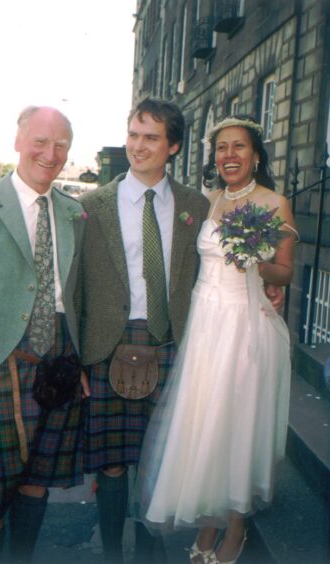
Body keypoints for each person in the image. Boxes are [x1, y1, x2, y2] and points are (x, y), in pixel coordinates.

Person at [135, 115, 298, 564]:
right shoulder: (206, 201)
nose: (229, 155)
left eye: (239, 147)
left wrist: (256, 263)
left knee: (236, 424)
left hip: (245, 327)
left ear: (256, 155)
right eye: (222, 148)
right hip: (205, 328)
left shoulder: (275, 202)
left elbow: (283, 271)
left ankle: (237, 525)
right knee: (205, 423)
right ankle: (208, 519)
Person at [75, 97, 210, 563]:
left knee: (158, 458)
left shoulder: (196, 205)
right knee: (111, 463)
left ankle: (153, 553)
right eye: (133, 134)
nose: (138, 146)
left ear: (173, 146)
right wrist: (82, 359)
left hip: (170, 342)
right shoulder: (93, 205)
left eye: (151, 137)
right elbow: (79, 291)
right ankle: (113, 553)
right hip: (109, 344)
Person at [0, 105, 89, 563]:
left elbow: (76, 294)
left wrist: (80, 360)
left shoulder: (73, 212)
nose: (50, 154)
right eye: (40, 141)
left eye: (61, 145)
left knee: (36, 481)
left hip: (58, 362)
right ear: (18, 141)